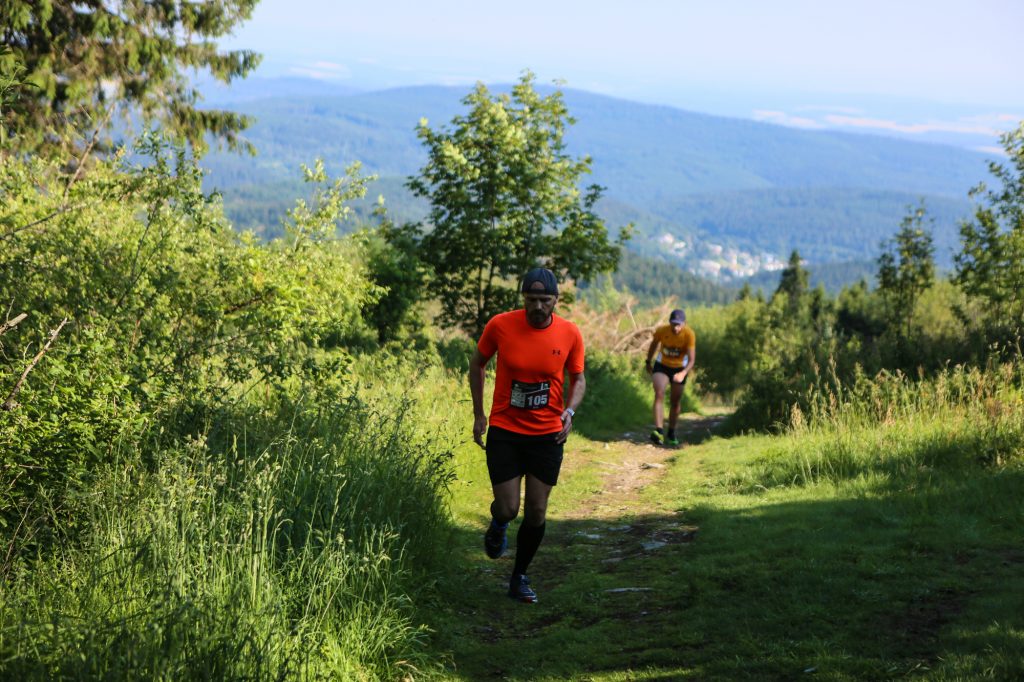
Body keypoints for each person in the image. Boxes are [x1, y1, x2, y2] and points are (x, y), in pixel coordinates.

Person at [469, 267, 586, 603]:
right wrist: (479, 414)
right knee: (508, 509)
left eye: (544, 300)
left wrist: (570, 411)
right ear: (523, 298)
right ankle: (498, 524)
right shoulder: (501, 325)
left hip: (547, 434)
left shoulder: (570, 333)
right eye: (531, 300)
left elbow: (578, 378)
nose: (537, 306)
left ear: (555, 301)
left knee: (536, 511)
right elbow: (476, 364)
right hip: (506, 430)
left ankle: (519, 576)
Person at [645, 308, 696, 447]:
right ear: (670, 323)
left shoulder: (689, 334)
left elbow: (691, 360)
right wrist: (648, 361)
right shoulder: (662, 331)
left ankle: (671, 432)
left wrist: (683, 373)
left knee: (675, 401)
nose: (676, 327)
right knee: (659, 393)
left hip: (680, 367)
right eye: (674, 324)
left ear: (684, 323)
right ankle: (659, 430)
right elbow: (654, 345)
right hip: (662, 365)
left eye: (679, 324)